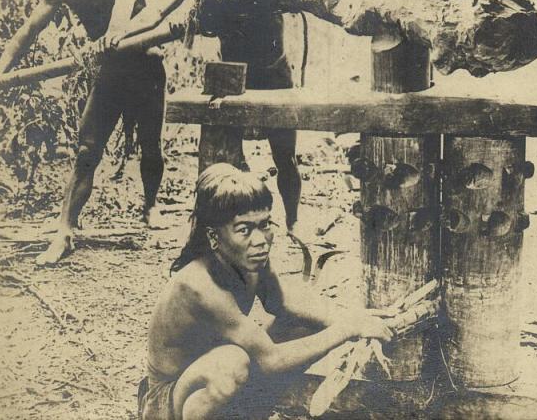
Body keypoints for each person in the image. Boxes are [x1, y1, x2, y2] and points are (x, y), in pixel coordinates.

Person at [139, 164, 392, 420]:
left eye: (265, 224)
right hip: (168, 402)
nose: (260, 240)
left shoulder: (249, 258)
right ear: (214, 236)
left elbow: (284, 304)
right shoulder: (199, 286)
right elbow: (271, 360)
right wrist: (346, 329)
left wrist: (352, 318)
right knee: (232, 363)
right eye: (244, 229)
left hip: (209, 374)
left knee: (303, 326)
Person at [119, 0, 309, 245]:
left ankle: (293, 222)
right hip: (230, 74)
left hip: (274, 73)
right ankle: (219, 228)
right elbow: (156, 13)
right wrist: (119, 34)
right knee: (223, 156)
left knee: (285, 157)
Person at [0, 0, 166, 265]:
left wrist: (114, 33)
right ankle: (65, 230)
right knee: (87, 149)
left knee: (152, 148)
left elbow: (125, 3)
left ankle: (151, 206)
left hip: (147, 66)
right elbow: (28, 30)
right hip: (111, 71)